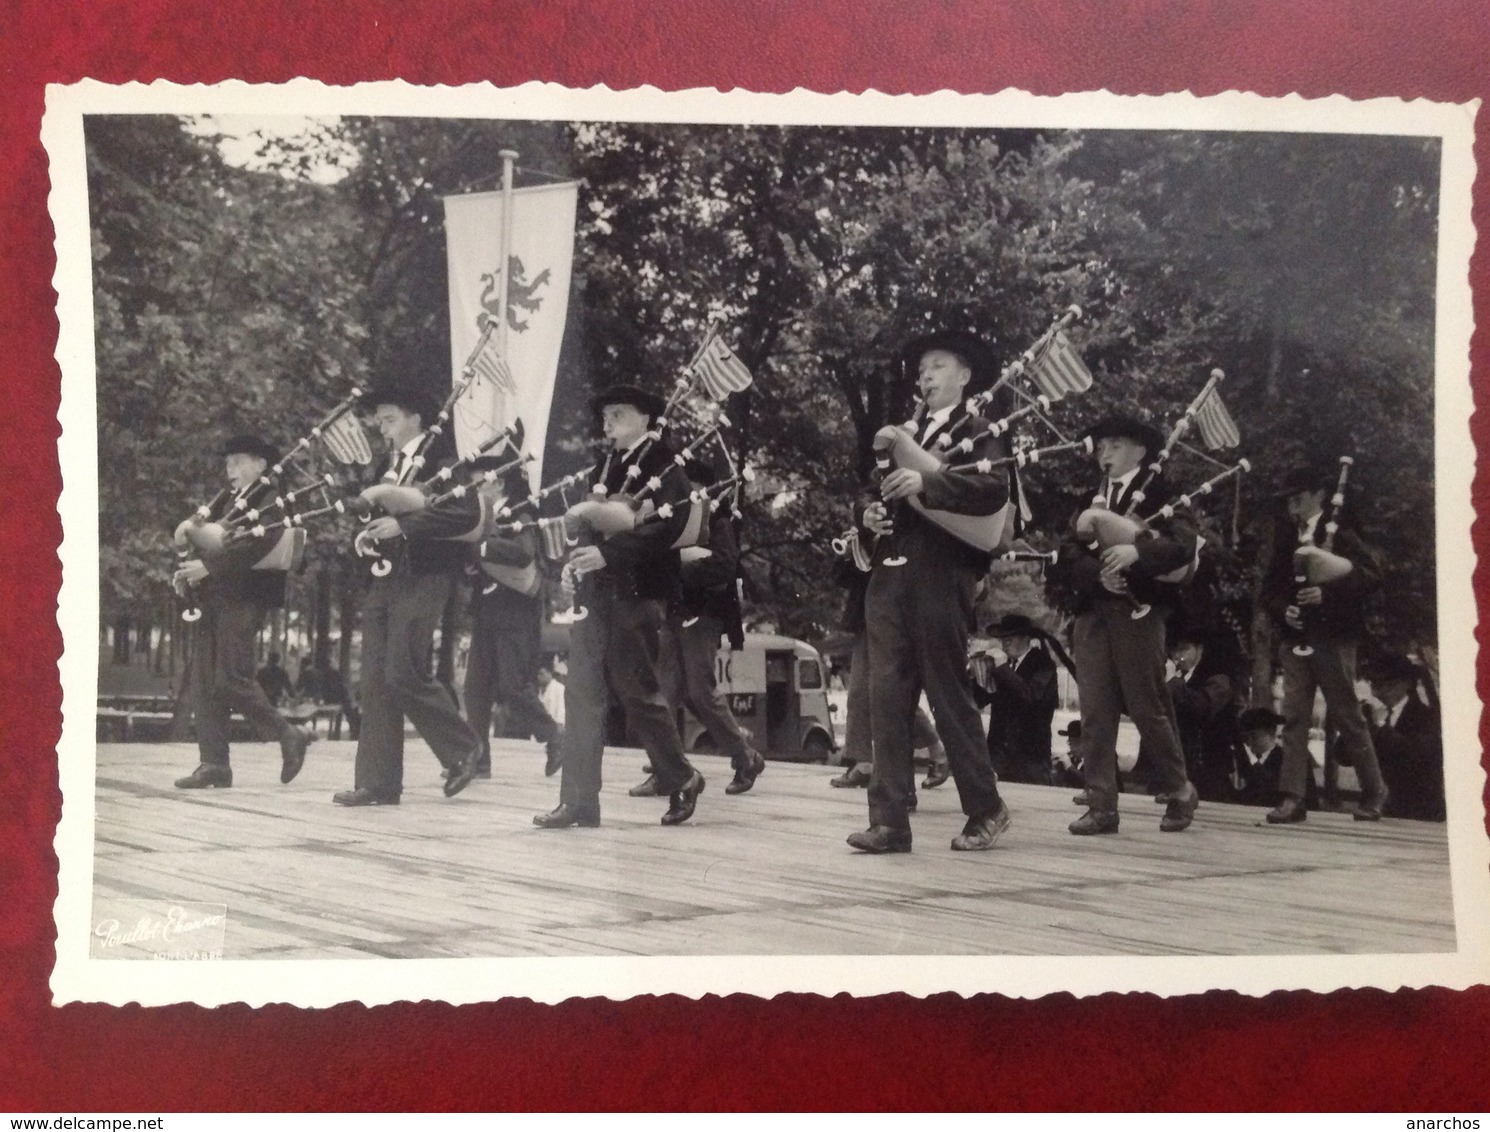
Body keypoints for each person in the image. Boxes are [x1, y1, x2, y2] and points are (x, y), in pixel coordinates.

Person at [849, 329, 1012, 854]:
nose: (926, 375)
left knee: (946, 694)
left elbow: (994, 491)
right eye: (922, 369)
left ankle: (986, 808)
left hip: (942, 573)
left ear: (965, 377)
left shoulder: (981, 429)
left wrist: (927, 484)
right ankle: (890, 820)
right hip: (890, 574)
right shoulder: (903, 433)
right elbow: (871, 490)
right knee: (886, 697)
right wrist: (868, 514)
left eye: (938, 365)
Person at [534, 384, 705, 829]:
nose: (607, 423)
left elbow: (671, 526)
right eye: (605, 416)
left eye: (618, 414)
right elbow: (593, 523)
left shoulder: (665, 464)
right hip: (598, 593)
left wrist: (609, 555)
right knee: (581, 694)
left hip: (638, 591)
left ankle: (681, 776)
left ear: (646, 419)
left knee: (636, 691)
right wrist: (581, 562)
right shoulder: (608, 465)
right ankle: (578, 801)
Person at [332, 381, 485, 807]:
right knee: (377, 679)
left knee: (402, 670)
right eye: (379, 420)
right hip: (387, 576)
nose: (382, 428)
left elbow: (464, 510)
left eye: (390, 418)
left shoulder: (442, 459)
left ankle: (464, 748)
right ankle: (377, 782)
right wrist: (369, 536)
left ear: (416, 418)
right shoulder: (390, 464)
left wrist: (403, 526)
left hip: (425, 574)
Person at [1049, 415, 1202, 836]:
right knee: (1095, 709)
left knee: (1146, 704)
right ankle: (1101, 805)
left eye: (1115, 444)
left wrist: (1137, 555)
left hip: (1141, 612)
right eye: (1102, 446)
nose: (1105, 452)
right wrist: (1096, 574)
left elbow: (1184, 546)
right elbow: (1066, 552)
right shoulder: (1090, 496)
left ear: (1140, 451)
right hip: (1094, 611)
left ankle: (1178, 789)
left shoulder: (1164, 493)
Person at [170, 434, 314, 789]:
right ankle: (214, 763)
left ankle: (287, 733)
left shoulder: (271, 499)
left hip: (246, 596)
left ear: (261, 464)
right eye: (227, 463)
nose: (229, 469)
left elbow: (260, 544)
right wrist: (191, 570)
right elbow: (209, 537)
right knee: (206, 680)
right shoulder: (230, 500)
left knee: (230, 677)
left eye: (237, 462)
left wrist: (208, 568)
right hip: (215, 596)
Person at [1260, 465, 1388, 824]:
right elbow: (1268, 591)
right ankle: (1292, 797)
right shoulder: (1286, 537)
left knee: (1347, 713)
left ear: (1318, 495)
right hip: (1297, 639)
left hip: (1333, 637)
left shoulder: (1341, 533)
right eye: (1288, 502)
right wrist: (1284, 610)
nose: (1292, 509)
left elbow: (1370, 574)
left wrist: (1326, 594)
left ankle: (1374, 791)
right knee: (1295, 717)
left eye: (1298, 500)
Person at [652, 457, 766, 796]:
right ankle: (666, 770)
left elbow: (724, 566)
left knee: (700, 691)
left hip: (704, 613)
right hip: (676, 611)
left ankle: (744, 756)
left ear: (701, 488)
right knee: (667, 691)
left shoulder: (718, 519)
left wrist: (676, 570)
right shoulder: (676, 520)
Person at [464, 454, 564, 779]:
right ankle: (477, 760)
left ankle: (555, 737)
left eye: (481, 483)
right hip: (487, 611)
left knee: (513, 687)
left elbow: (523, 554)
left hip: (516, 612)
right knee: (475, 689)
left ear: (499, 482)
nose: (475, 489)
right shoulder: (484, 516)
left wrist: (479, 548)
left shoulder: (523, 512)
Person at [827, 549, 949, 801]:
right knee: (860, 691)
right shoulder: (867, 529)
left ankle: (938, 751)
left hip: (897, 615)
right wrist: (855, 549)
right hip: (867, 616)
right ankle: (862, 762)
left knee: (888, 691)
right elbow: (840, 577)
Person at [973, 613, 1060, 785]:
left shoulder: (1043, 664)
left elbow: (1031, 697)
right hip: (999, 759)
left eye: (1011, 637)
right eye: (1003, 638)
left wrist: (1003, 668)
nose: (1006, 642)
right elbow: (979, 701)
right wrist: (976, 676)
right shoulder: (1001, 666)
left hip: (1030, 761)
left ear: (1026, 638)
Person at [1165, 626, 1244, 803]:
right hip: (1180, 767)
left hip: (1211, 768)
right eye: (1174, 649)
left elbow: (1202, 706)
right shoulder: (1176, 679)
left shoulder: (1218, 677)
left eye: (1184, 648)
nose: (1178, 655)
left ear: (1199, 649)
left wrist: (1173, 683)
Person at [1367, 654, 1444, 821]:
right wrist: (1356, 726)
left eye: (1386, 685)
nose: (1379, 692)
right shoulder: (1373, 715)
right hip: (1384, 811)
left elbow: (1415, 752)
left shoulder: (1426, 717)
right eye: (1374, 685)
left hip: (1419, 812)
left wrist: (1380, 726)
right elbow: (1343, 756)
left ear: (1406, 684)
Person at [1234, 706, 1287, 806]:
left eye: (1254, 736)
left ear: (1271, 732)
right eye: (1245, 738)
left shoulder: (1287, 761)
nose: (1249, 742)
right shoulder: (1238, 759)